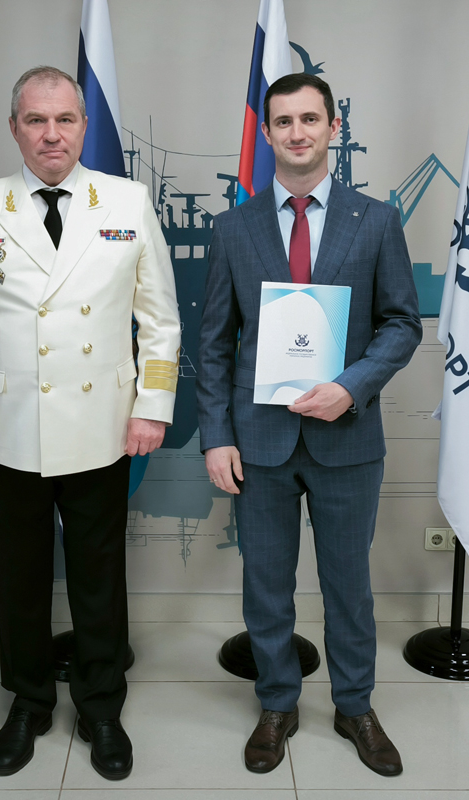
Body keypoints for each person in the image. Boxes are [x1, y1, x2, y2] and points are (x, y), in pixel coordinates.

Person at [0, 66, 181, 780]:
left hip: (102, 426)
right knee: (18, 575)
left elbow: (160, 321)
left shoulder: (127, 202)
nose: (51, 134)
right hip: (5, 429)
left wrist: (151, 408)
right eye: (36, 120)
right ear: (15, 128)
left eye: (64, 119)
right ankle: (29, 700)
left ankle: (101, 704)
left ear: (83, 126)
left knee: (99, 575)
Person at [197, 73, 421, 777]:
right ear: (266, 133)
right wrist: (216, 436)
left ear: (333, 128)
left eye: (310, 119)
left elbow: (402, 324)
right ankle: (277, 703)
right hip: (257, 440)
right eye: (284, 121)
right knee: (266, 584)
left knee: (348, 585)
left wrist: (350, 387)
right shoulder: (234, 228)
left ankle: (355, 707)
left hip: (347, 438)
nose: (298, 132)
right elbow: (213, 343)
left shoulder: (376, 220)